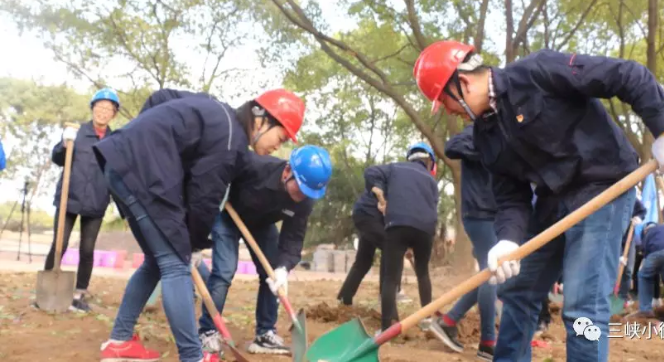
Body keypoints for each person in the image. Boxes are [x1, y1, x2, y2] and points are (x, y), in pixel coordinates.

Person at [413, 41, 664, 362]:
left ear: (462, 82)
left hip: (604, 188)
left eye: (444, 100)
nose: (447, 110)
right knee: (517, 290)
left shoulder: (538, 72)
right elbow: (511, 197)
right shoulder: (484, 137)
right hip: (552, 202)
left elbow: (626, 75)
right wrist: (508, 239)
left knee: (583, 305)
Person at [96, 88, 305, 362]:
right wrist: (192, 245)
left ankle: (120, 341)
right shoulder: (229, 140)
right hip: (143, 172)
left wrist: (142, 135)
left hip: (122, 161)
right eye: (281, 136)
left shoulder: (216, 112)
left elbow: (161, 97)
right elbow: (205, 196)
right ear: (260, 119)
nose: (279, 146)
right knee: (176, 264)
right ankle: (193, 357)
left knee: (156, 262)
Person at [198, 145, 332, 356]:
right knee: (224, 271)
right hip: (227, 215)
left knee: (272, 271)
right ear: (287, 171)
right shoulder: (255, 166)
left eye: (307, 193)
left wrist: (283, 268)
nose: (302, 196)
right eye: (299, 189)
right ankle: (207, 332)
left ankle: (265, 334)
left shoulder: (305, 201)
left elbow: (293, 238)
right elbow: (219, 172)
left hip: (261, 223)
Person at [44, 88, 119, 312]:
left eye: (108, 109)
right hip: (69, 198)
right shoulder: (76, 133)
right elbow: (58, 158)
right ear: (92, 108)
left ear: (113, 114)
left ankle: (79, 294)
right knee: (60, 244)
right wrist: (63, 144)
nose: (103, 112)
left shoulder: (115, 140)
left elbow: (118, 171)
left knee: (87, 249)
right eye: (99, 107)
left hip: (96, 201)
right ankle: (46, 290)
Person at [427, 125, 497, 359]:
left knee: (489, 274)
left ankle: (449, 320)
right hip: (480, 213)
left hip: (496, 214)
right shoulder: (481, 129)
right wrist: (491, 150)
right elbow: (453, 146)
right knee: (492, 273)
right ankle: (488, 342)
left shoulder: (508, 131)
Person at [365, 142, 439, 331]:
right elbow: (433, 206)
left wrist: (377, 189)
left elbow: (371, 172)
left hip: (397, 225)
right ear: (429, 161)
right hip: (425, 229)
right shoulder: (431, 181)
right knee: (423, 273)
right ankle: (427, 320)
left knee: (390, 277)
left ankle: (387, 327)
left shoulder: (395, 168)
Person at [630, 222, 664, 318]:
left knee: (644, 276)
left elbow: (645, 253)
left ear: (645, 230)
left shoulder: (648, 233)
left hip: (657, 252)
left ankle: (645, 310)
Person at [617, 199, 647, 304]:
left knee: (628, 270)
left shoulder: (632, 199)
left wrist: (639, 217)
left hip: (629, 238)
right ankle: (606, 294)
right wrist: (618, 255)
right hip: (612, 237)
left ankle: (622, 297)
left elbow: (642, 211)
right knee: (612, 267)